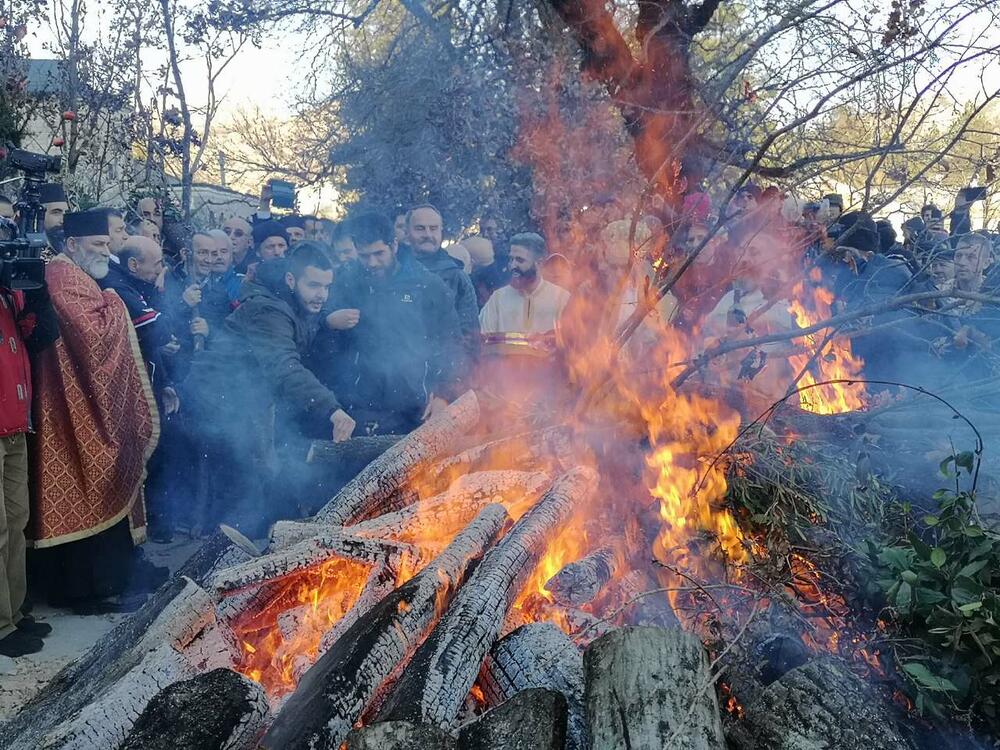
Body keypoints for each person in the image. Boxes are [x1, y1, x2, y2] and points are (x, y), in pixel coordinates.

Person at [29, 210, 163, 614]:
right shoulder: (61, 276)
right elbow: (91, 336)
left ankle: (112, 580)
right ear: (72, 245)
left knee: (101, 477)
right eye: (99, 245)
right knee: (83, 481)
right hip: (68, 411)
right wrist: (116, 301)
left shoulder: (78, 274)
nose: (108, 252)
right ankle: (85, 591)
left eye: (108, 244)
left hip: (82, 400)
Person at [183, 244, 353, 533]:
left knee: (256, 474)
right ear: (290, 280)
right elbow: (284, 366)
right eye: (313, 285)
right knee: (239, 485)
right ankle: (223, 555)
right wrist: (332, 408)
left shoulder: (292, 304)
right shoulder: (268, 310)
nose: (321, 294)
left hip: (247, 398)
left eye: (326, 286)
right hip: (217, 399)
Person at [317, 212, 463, 437]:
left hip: (413, 409)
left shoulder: (426, 285)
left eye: (379, 253)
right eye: (365, 256)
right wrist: (329, 322)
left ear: (394, 245)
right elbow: (316, 332)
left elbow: (451, 344)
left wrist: (444, 394)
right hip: (357, 406)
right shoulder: (344, 282)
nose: (372, 263)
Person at [0, 217, 59, 657]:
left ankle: (15, 611)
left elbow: (41, 334)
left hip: (15, 421)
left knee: (17, 523)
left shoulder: (11, 287)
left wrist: (35, 283)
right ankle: (1, 625)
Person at [100, 236, 182, 542]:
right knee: (142, 466)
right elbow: (153, 329)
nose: (162, 268)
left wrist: (167, 384)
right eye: (157, 263)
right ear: (134, 264)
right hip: (130, 394)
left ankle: (153, 529)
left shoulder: (137, 282)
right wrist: (174, 324)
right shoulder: (117, 283)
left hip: (151, 382)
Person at [406, 204, 480, 369]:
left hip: (442, 376)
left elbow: (469, 335)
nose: (428, 234)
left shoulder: (457, 278)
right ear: (407, 233)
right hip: (397, 375)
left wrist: (461, 381)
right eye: (420, 229)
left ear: (441, 232)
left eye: (433, 228)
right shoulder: (392, 272)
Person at [479, 232, 569, 335]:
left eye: (520, 260)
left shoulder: (562, 299)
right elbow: (482, 340)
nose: (513, 266)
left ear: (538, 263)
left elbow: (574, 344)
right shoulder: (498, 299)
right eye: (511, 259)